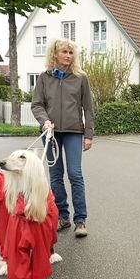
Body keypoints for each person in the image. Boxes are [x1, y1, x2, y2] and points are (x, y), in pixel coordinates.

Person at [32, 38, 95, 238]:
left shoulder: (80, 77)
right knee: (56, 176)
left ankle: (80, 220)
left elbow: (88, 109)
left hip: (74, 132)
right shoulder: (44, 77)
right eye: (64, 52)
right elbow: (37, 105)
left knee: (75, 174)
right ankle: (62, 216)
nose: (68, 56)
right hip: (50, 134)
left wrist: (88, 135)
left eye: (70, 52)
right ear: (55, 54)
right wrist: (44, 121)